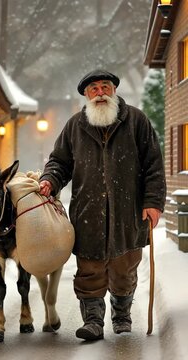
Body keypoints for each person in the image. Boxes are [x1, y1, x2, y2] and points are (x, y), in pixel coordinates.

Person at [39, 69, 166, 341]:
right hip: (88, 212)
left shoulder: (136, 121)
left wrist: (153, 201)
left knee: (124, 268)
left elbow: (154, 164)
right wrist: (50, 180)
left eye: (105, 87)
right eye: (93, 88)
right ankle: (93, 321)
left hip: (128, 211)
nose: (100, 93)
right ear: (86, 94)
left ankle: (121, 315)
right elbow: (59, 162)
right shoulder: (76, 126)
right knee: (89, 270)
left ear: (114, 91)